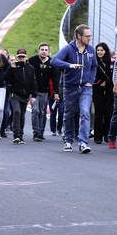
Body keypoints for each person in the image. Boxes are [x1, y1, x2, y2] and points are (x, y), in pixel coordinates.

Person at [51, 24, 98, 153]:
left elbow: (94, 66)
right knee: (69, 114)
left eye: (90, 36)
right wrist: (69, 65)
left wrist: (91, 81)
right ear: (78, 36)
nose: (89, 38)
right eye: (87, 36)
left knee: (85, 113)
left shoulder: (91, 50)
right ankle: (68, 140)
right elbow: (54, 61)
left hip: (86, 88)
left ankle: (83, 142)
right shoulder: (68, 49)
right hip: (70, 87)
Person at [28, 43, 59, 141]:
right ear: (39, 50)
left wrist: (56, 92)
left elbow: (55, 79)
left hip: (45, 91)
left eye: (46, 50)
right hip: (33, 91)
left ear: (48, 52)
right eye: (42, 49)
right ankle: (36, 132)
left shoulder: (52, 63)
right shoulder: (32, 60)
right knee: (35, 110)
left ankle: (40, 132)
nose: (44, 51)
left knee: (42, 112)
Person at [6, 49, 37, 144]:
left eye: (23, 57)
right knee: (16, 111)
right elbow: (6, 78)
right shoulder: (13, 67)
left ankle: (20, 135)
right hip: (14, 94)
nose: (21, 59)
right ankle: (16, 135)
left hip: (26, 95)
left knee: (22, 115)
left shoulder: (30, 68)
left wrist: (33, 96)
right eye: (19, 57)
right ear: (17, 57)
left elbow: (33, 82)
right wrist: (12, 68)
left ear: (26, 58)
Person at [92, 42, 113, 144]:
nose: (99, 52)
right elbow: (91, 76)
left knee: (108, 113)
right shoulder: (94, 62)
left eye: (102, 50)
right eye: (98, 50)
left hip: (109, 90)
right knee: (99, 113)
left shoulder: (110, 62)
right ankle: (97, 136)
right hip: (97, 90)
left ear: (105, 51)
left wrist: (107, 82)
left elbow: (113, 76)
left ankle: (107, 135)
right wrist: (99, 82)